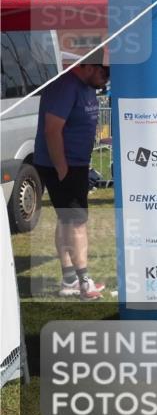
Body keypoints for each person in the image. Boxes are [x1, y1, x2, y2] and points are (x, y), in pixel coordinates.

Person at [33, 60, 110, 300]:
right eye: (105, 73)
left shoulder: (85, 86)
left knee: (66, 219)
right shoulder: (65, 86)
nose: (106, 80)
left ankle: (69, 280)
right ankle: (84, 283)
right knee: (77, 222)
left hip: (75, 164)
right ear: (88, 66)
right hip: (63, 165)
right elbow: (52, 130)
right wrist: (62, 168)